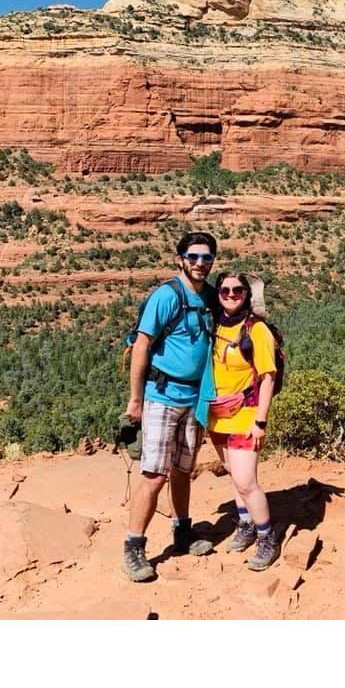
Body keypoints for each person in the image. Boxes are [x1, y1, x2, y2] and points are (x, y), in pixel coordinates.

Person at [121, 231, 219, 583]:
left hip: (195, 398)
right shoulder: (167, 295)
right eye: (193, 257)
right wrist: (135, 399)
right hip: (161, 396)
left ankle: (182, 530)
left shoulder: (211, 296)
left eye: (206, 258)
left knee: (182, 469)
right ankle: (134, 546)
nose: (200, 263)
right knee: (154, 474)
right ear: (181, 259)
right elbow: (141, 346)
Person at [207, 271, 281, 571]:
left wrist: (260, 422)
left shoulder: (257, 330)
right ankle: (246, 524)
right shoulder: (214, 326)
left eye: (238, 290)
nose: (231, 294)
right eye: (224, 290)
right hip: (218, 416)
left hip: (246, 415)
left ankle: (267, 537)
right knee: (233, 476)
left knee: (246, 481)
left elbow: (268, 377)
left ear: (247, 294)